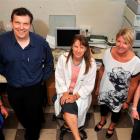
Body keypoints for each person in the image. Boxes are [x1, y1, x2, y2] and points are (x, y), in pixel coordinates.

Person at [0, 7, 54, 140]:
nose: (21, 27)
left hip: (34, 88)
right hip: (13, 88)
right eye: (17, 22)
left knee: (34, 116)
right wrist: (7, 73)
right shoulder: (2, 41)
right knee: (21, 113)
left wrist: (41, 78)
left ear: (30, 25)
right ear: (11, 23)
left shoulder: (41, 43)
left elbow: (49, 63)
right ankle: (30, 124)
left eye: (25, 23)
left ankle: (32, 134)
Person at [94, 27, 140, 138]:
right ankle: (102, 121)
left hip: (120, 95)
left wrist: (127, 102)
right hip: (104, 89)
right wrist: (98, 87)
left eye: (125, 42)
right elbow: (101, 70)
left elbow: (134, 84)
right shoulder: (107, 52)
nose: (120, 45)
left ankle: (112, 126)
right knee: (103, 107)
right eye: (118, 41)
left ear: (131, 44)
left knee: (116, 112)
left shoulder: (136, 62)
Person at [54, 34, 97, 140]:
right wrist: (65, 92)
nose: (78, 50)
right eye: (75, 46)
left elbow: (89, 85)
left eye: (82, 47)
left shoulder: (91, 63)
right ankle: (77, 138)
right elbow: (59, 77)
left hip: (80, 94)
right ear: (71, 47)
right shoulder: (63, 58)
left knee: (68, 110)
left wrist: (75, 96)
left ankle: (72, 130)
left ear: (86, 49)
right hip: (64, 91)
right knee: (68, 107)